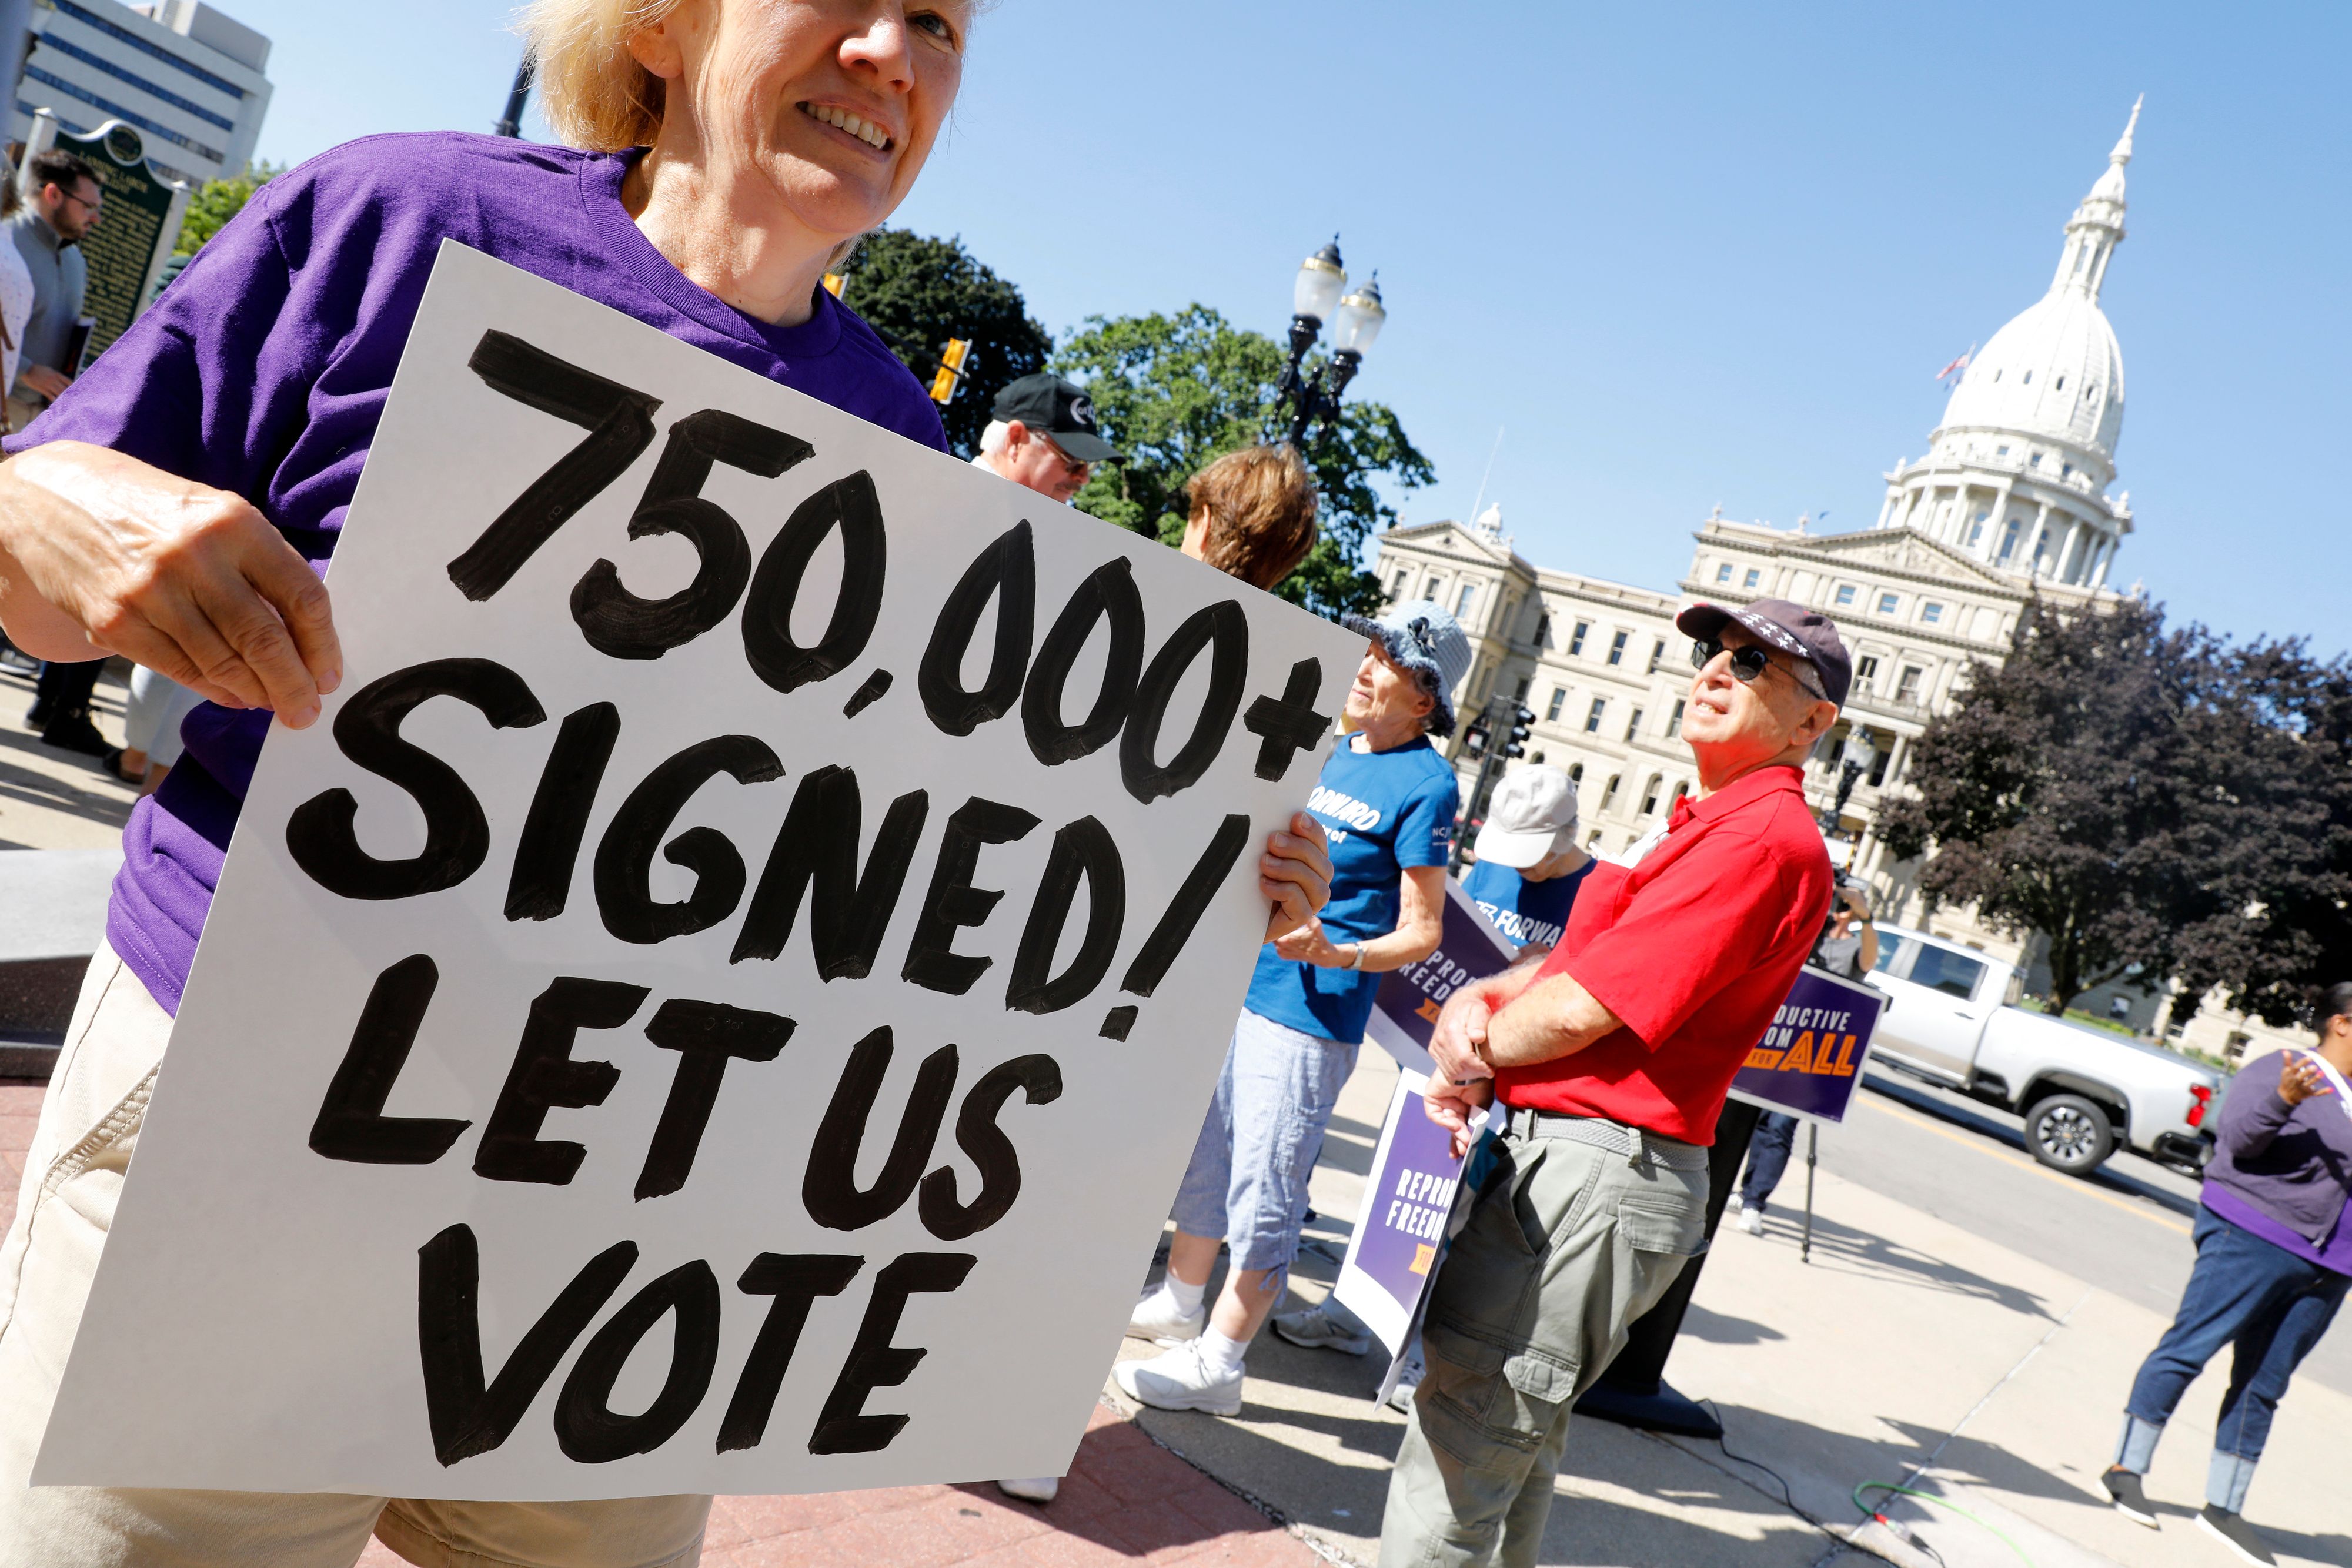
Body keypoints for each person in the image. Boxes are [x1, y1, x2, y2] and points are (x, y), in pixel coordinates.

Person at [0, 5, 1003, 1564]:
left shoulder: (900, 434)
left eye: (940, 21)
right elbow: (38, 571)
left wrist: (1202, 871)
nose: (893, 52)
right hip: (246, 1118)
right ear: (668, 24)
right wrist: (60, 507)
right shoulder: (402, 216)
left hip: (617, 1223)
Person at [1378, 598, 1846, 1567]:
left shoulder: (1760, 839)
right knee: (1503, 1453)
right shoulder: (1721, 827)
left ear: (1814, 722)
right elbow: (1568, 970)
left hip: (1592, 1172)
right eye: (1717, 653)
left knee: (1464, 1453)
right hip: (1585, 1169)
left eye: (1755, 664)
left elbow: (1586, 1009)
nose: (1718, 671)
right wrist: (1481, 1008)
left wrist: (1474, 1049)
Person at [995, 440, 1329, 1507]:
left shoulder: (1115, 607)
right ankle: (1034, 1428)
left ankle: (950, 1390)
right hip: (1169, 997)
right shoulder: (1295, 683)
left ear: (1197, 512)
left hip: (1045, 945)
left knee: (1004, 1186)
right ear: (1290, 557)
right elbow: (1288, 884)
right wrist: (1304, 884)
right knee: (1099, 1213)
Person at [1115, 602, 1468, 1417]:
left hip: (1312, 1016)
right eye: (1369, 648)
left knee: (1266, 1186)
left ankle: (1224, 1361)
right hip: (1240, 990)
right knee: (1207, 1160)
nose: (1366, 664)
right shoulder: (1332, 747)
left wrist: (1337, 952)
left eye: (1390, 659)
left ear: (1426, 697)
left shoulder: (1429, 782)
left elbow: (1422, 930)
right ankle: (1183, 1299)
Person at [1271, 763, 1596, 1386]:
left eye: (1534, 857)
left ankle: (1424, 1356)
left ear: (1566, 837)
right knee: (1403, 1198)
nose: (1521, 870)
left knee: (1466, 1225)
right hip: (1443, 1066)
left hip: (1517, 1091)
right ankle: (1351, 1313)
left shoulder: (1597, 888)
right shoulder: (1496, 865)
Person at [2101, 983, 2352, 1567]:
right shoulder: (2285, 1069)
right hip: (2253, 1237)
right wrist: (2282, 1102)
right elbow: (2237, 1141)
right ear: (2342, 1023)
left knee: (2264, 1384)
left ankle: (2224, 1507)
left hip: (2329, 1266)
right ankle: (2124, 1469)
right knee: (2190, 1348)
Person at [8, 148, 111, 754]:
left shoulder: (74, 265)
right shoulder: (6, 245)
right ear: (51, 193)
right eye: (88, 204)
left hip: (35, 441)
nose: (95, 218)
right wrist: (27, 372)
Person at [1731, 881, 1876, 1234]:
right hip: (1774, 1037)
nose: (1841, 906)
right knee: (1751, 1120)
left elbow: (1870, 960)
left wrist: (1866, 917)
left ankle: (1755, 1201)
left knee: (1780, 1126)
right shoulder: (1815, 929)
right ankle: (1744, 1187)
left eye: (1848, 902)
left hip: (1809, 1050)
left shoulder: (1858, 945)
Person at [1461, 764, 1595, 959]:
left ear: (1565, 837)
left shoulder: (1597, 894)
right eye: (1507, 846)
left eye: (1526, 853)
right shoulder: (1494, 863)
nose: (1515, 864)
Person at [970, 371, 1118, 503]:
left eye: (1090, 464)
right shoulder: (952, 502)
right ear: (1015, 440)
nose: (1084, 478)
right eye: (1073, 459)